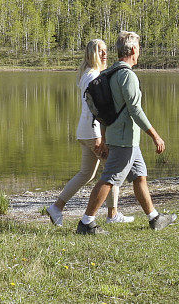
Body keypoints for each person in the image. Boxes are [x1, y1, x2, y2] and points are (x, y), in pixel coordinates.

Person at [77, 31, 176, 234]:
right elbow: (135, 110)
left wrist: (104, 137)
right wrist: (155, 136)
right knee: (109, 178)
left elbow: (105, 110)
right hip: (124, 140)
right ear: (131, 50)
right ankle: (86, 223)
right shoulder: (127, 76)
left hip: (122, 137)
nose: (139, 53)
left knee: (139, 175)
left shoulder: (111, 72)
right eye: (138, 49)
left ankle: (154, 218)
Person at [46, 39, 134, 227]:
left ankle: (57, 207)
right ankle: (112, 214)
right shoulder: (93, 76)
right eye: (99, 51)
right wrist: (99, 138)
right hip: (92, 133)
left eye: (105, 51)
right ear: (91, 54)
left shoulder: (87, 74)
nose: (104, 54)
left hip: (84, 131)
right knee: (112, 172)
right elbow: (94, 109)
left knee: (86, 173)